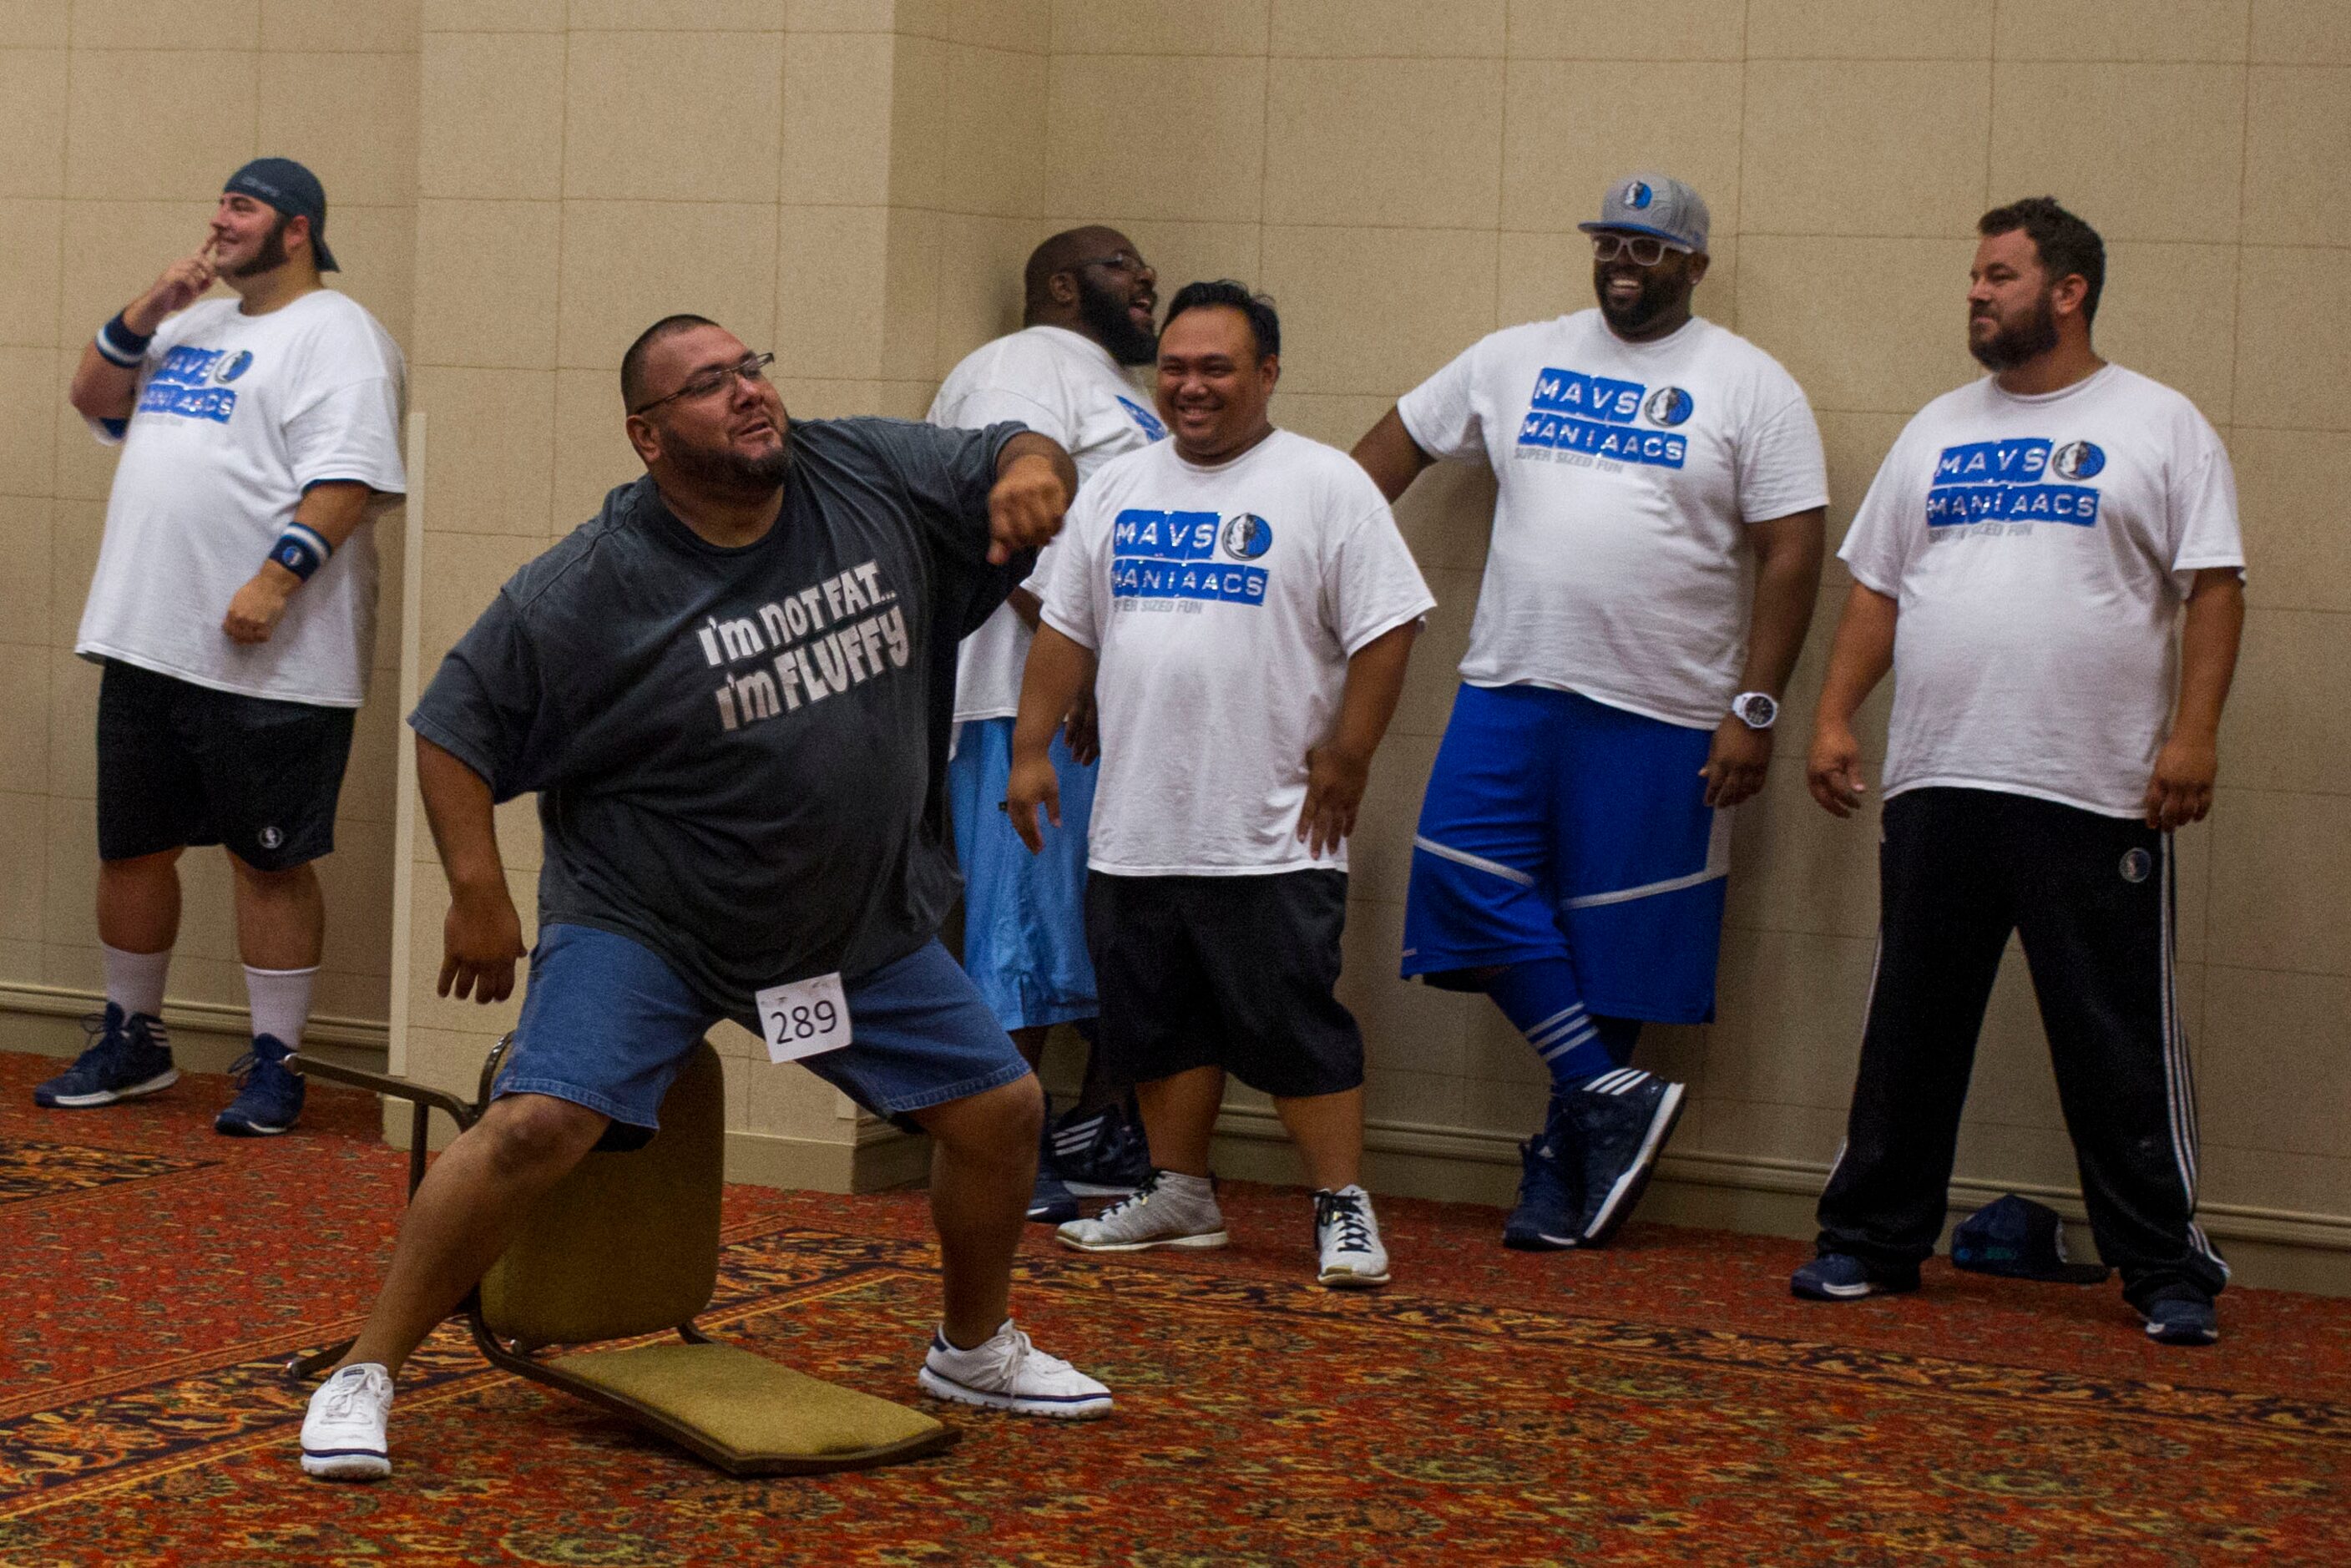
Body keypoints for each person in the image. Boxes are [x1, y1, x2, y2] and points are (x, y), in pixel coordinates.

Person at [298, 316, 1109, 1483]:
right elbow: (452, 730)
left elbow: (1012, 454)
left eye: (751, 367)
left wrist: (1038, 469)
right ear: (648, 436)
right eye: (708, 384)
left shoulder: (860, 469)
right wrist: (477, 888)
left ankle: (971, 1347)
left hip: (847, 923)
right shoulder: (589, 585)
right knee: (539, 1122)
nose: (747, 392)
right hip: (653, 920)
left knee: (1002, 1114)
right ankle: (366, 1370)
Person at [1794, 198, 2244, 1348]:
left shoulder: (2160, 423)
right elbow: (1880, 588)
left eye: (1998, 275)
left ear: (2069, 289)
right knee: (1912, 1023)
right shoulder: (1937, 428)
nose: (1976, 294)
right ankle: (1870, 1240)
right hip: (1942, 778)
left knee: (2113, 1038)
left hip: (2093, 789)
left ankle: (2164, 1266)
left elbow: (2215, 586)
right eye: (1975, 277)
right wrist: (1837, 714)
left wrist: (2192, 736)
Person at [1350, 173, 1827, 1251]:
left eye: (1651, 248)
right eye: (1611, 241)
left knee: (1616, 946)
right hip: (1511, 681)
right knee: (1461, 877)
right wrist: (1320, 562)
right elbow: (1384, 456)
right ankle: (1604, 1088)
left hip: (1666, 707)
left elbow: (1792, 547)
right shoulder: (1517, 353)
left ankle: (1567, 1168)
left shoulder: (1751, 383)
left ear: (1695, 267)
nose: (1624, 261)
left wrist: (1754, 705)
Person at [1009, 282, 1435, 1290]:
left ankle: (1340, 1207)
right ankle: (1181, 1195)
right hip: (1137, 821)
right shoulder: (1118, 486)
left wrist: (1351, 751)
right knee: (1154, 1018)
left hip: (1273, 824)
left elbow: (1389, 627)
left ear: (1268, 374)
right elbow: (1067, 627)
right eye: (1174, 366)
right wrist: (1030, 748)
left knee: (1289, 1020)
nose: (1189, 386)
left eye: (1215, 367)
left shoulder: (1325, 485)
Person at [44, 158, 405, 1137]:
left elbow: (354, 477)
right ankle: (134, 1039)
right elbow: (91, 395)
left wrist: (277, 578)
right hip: (146, 638)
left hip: (271, 655)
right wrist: (152, 304)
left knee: (268, 863)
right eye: (219, 204)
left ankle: (277, 1063)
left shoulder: (341, 335)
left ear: (295, 229)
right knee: (132, 848)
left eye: (240, 206)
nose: (218, 220)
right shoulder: (192, 326)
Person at [928, 227, 1168, 1225]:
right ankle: (999, 1155)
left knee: (1090, 933)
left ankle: (1088, 1125)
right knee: (1017, 938)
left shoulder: (1121, 392)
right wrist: (1076, 665)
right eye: (1122, 266)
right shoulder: (1018, 366)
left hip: (1098, 704)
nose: (1146, 277)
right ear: (1062, 287)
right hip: (1017, 700)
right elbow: (1010, 528)